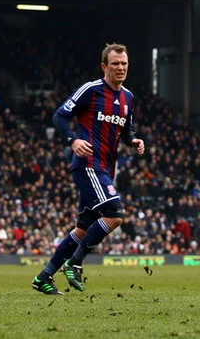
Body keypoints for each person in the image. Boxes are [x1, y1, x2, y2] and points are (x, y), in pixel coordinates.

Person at [32, 43, 145, 295]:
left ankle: (44, 276)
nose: (120, 67)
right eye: (115, 63)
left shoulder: (128, 97)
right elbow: (59, 115)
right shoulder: (91, 90)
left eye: (124, 63)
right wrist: (73, 139)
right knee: (115, 214)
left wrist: (133, 140)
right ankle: (75, 262)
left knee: (82, 228)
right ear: (104, 66)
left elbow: (126, 130)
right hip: (88, 165)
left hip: (105, 168)